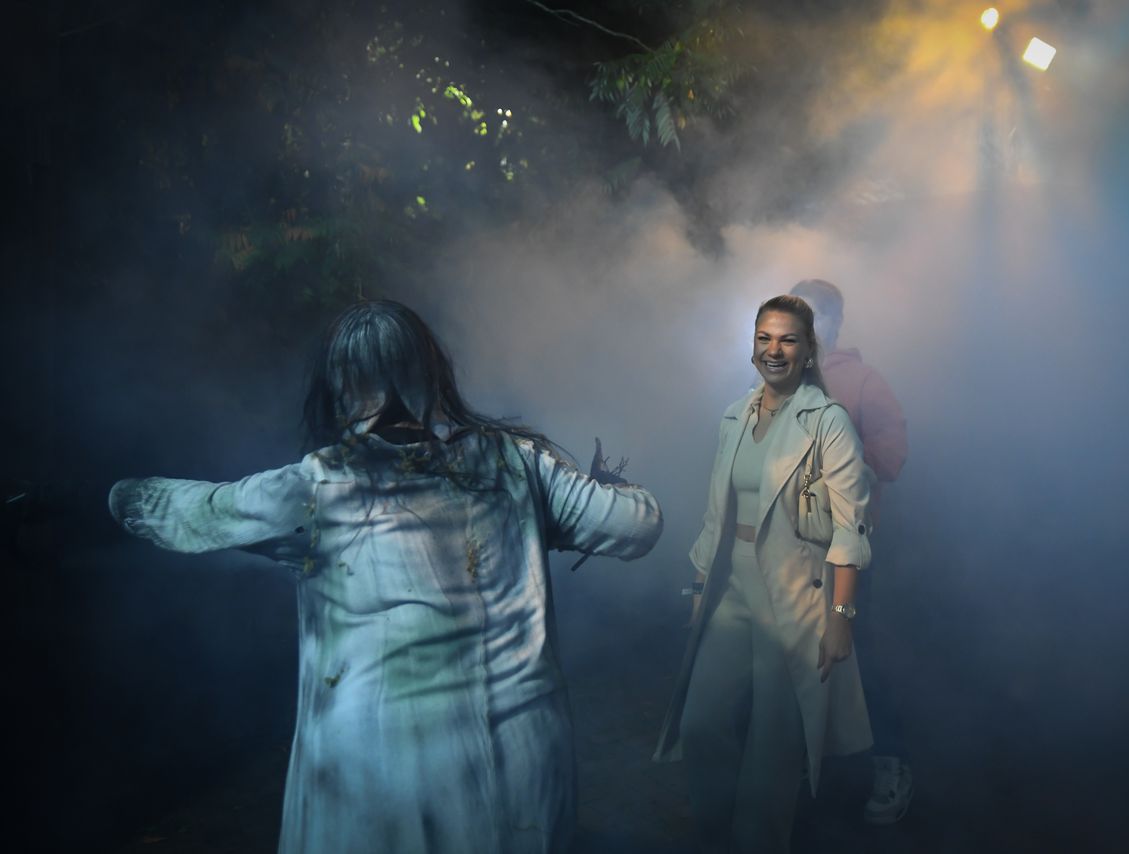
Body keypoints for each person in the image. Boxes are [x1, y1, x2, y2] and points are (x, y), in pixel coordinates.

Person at [108, 299, 663, 854]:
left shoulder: (319, 484)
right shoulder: (516, 462)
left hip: (378, 771)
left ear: (340, 381)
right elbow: (636, 524)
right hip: (519, 761)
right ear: (432, 368)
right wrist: (576, 500)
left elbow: (193, 512)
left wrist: (114, 494)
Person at [654, 295, 875, 853]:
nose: (774, 350)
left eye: (788, 340)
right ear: (753, 345)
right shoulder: (735, 414)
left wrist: (841, 617)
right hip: (731, 587)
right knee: (701, 724)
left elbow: (851, 528)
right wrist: (700, 586)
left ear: (808, 350)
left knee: (773, 747)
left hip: (794, 594)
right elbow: (715, 514)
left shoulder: (827, 421)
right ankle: (716, 838)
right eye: (764, 338)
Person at [790, 278, 910, 825]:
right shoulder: (781, 380)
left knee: (862, 657)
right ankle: (804, 759)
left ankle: (891, 765)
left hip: (847, 548)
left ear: (834, 323)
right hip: (791, 552)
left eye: (813, 316)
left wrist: (841, 455)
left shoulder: (863, 381)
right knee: (796, 655)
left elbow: (892, 455)